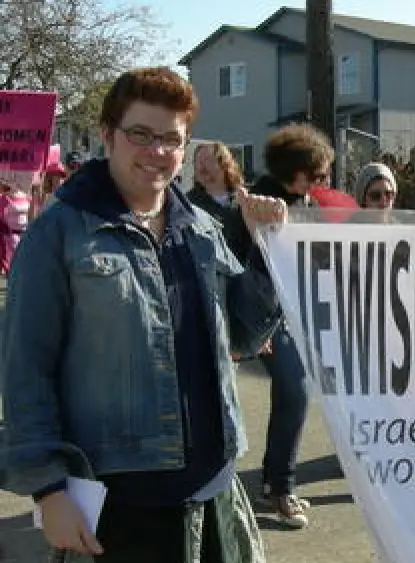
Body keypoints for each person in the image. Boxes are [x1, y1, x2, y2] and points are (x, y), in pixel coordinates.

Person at [0, 66, 286, 562]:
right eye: (141, 135)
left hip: (214, 492)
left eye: (171, 140)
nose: (157, 151)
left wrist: (268, 251)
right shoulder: (60, 234)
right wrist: (47, 489)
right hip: (122, 506)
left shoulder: (200, 227)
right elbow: (25, 368)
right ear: (107, 135)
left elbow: (242, 336)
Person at [247, 123, 336, 529]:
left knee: (293, 395)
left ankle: (273, 481)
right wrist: (248, 331)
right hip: (260, 319)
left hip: (289, 315)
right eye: (317, 174)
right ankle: (281, 488)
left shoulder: (305, 202)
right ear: (296, 171)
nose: (323, 181)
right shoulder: (256, 202)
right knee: (297, 392)